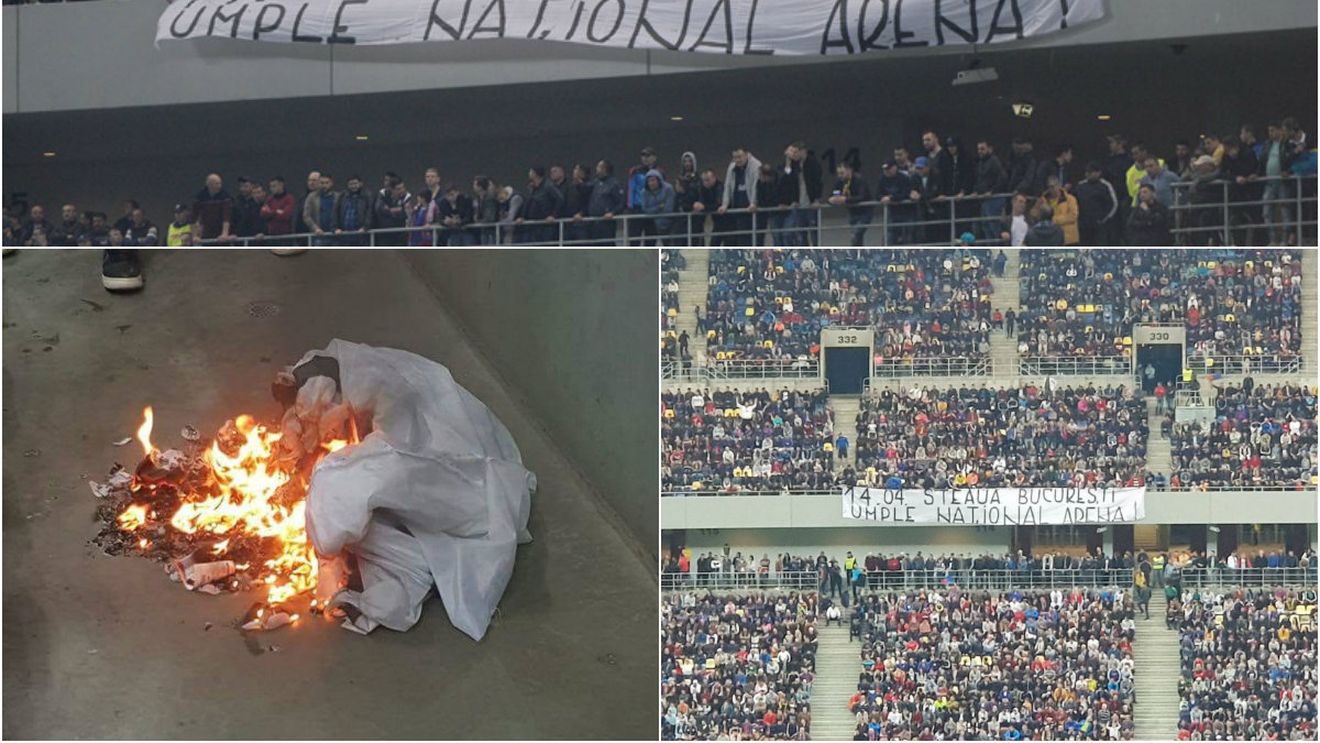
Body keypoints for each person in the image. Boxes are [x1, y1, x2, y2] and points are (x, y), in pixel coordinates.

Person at [1258, 120, 1300, 245]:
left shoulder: (1287, 144)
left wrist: (1288, 171)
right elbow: (1262, 161)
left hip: (1283, 182)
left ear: (1280, 130)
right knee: (1266, 212)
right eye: (1269, 131)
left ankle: (1284, 239)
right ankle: (1272, 239)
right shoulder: (1267, 145)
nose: (1270, 133)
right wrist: (1258, 173)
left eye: (1272, 130)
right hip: (1269, 183)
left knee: (1285, 211)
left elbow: (1292, 159)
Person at [719, 147, 760, 246]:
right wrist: (724, 204)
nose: (737, 160)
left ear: (747, 155)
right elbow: (727, 186)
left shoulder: (756, 166)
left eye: (740, 157)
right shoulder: (732, 167)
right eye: (735, 157)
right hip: (735, 210)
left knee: (749, 240)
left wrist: (753, 203)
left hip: (750, 211)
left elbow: (756, 186)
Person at [784, 141, 823, 245]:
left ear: (803, 151)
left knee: (814, 233)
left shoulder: (813, 163)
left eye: (796, 152)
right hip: (800, 204)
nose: (794, 155)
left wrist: (817, 199)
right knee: (801, 233)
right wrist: (787, 160)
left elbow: (818, 182)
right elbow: (788, 179)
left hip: (810, 203)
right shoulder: (794, 165)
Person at [1073, 161, 1118, 246]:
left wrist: (1104, 219)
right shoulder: (1080, 186)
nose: (1088, 174)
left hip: (1100, 226)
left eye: (1090, 172)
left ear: (1098, 173)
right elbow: (1074, 203)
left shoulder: (1105, 185)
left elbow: (1114, 204)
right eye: (1086, 172)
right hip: (1084, 226)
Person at [829, 161, 872, 246]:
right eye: (838, 173)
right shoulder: (840, 181)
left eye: (842, 173)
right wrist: (831, 199)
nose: (840, 176)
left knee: (857, 233)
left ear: (849, 170)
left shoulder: (860, 180)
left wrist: (845, 200)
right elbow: (832, 193)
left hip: (864, 212)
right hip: (852, 212)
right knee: (856, 238)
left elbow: (861, 196)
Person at [973, 140, 1009, 241]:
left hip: (994, 199)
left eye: (982, 149)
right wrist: (976, 191)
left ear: (990, 149)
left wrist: (992, 191)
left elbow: (1003, 178)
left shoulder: (994, 161)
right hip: (984, 200)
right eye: (978, 149)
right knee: (986, 226)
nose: (980, 151)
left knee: (994, 226)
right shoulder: (980, 163)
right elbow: (980, 179)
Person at [518, 166, 563, 244]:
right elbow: (528, 203)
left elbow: (559, 199)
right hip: (533, 225)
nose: (529, 174)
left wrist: (553, 215)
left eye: (531, 172)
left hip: (545, 225)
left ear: (535, 174)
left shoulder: (548, 186)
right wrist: (523, 216)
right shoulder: (533, 188)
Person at [626, 147, 661, 244]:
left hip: (653, 208)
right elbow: (630, 189)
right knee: (634, 239)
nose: (645, 158)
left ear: (654, 158)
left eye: (648, 156)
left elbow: (663, 190)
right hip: (638, 208)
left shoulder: (660, 171)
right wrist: (630, 207)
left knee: (651, 239)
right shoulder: (635, 171)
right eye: (643, 156)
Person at [586, 160, 624, 245]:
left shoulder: (614, 184)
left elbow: (621, 203)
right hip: (593, 222)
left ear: (604, 169)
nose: (596, 169)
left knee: (606, 245)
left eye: (598, 167)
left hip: (606, 223)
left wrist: (613, 212)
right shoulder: (595, 182)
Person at [875, 160, 912, 245]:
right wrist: (882, 198)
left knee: (906, 234)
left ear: (895, 168)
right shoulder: (882, 178)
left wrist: (891, 198)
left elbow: (906, 193)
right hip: (891, 211)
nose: (886, 171)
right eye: (885, 169)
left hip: (905, 211)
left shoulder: (903, 178)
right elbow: (877, 194)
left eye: (888, 169)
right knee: (890, 233)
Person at [636, 169, 676, 246]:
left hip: (667, 224)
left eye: (653, 180)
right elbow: (645, 209)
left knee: (670, 247)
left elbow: (668, 209)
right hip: (650, 224)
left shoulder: (668, 189)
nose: (651, 183)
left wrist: (653, 210)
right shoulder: (644, 192)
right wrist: (659, 207)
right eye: (649, 181)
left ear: (659, 180)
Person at [192, 173, 233, 243]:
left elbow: (226, 216)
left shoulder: (225, 196)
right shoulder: (200, 196)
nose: (219, 186)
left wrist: (224, 234)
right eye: (217, 184)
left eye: (220, 183)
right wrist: (194, 236)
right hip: (206, 231)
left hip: (220, 230)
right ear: (209, 184)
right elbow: (193, 217)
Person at [1037, 176, 1079, 245]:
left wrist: (1054, 220)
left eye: (1053, 186)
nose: (1051, 189)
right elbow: (1034, 214)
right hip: (1050, 238)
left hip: (1069, 240)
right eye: (1049, 187)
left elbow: (1073, 216)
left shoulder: (1070, 199)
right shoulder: (1043, 200)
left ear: (1058, 186)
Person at [334, 175, 373, 245]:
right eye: (351, 184)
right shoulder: (342, 196)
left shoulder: (367, 196)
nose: (353, 186)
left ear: (361, 184)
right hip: (344, 235)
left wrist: (365, 227)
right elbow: (335, 212)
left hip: (361, 235)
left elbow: (370, 213)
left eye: (355, 183)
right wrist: (335, 228)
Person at [302, 172, 339, 246]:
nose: (324, 185)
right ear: (319, 183)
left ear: (331, 183)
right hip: (319, 236)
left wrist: (338, 228)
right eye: (322, 183)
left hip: (335, 235)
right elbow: (306, 216)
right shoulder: (311, 197)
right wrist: (315, 228)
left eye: (327, 183)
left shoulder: (338, 197)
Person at [692, 169, 727, 246]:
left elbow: (719, 204)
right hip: (716, 220)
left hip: (727, 220)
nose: (705, 183)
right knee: (714, 244)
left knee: (727, 244)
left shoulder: (720, 187)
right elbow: (702, 200)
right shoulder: (703, 188)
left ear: (714, 178)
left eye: (707, 180)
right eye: (703, 180)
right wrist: (698, 205)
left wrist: (704, 207)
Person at [373, 176, 412, 245]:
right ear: (391, 189)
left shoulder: (407, 196)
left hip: (400, 236)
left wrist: (389, 210)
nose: (402, 191)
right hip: (384, 235)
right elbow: (380, 210)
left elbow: (405, 214)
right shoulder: (383, 194)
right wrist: (395, 210)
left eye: (403, 187)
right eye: (398, 189)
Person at [261, 176, 298, 245]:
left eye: (274, 186)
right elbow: (263, 214)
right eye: (270, 187)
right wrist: (277, 211)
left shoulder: (289, 198)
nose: (271, 189)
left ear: (281, 185)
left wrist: (270, 212)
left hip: (286, 236)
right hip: (271, 235)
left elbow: (286, 215)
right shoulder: (269, 199)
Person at [231, 177, 264, 241]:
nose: (243, 189)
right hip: (239, 239)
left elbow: (263, 220)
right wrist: (233, 233)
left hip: (256, 239)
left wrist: (262, 232)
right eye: (241, 186)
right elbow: (233, 220)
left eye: (246, 186)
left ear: (252, 186)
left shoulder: (258, 203)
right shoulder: (236, 203)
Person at [470, 176, 501, 245]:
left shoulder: (490, 199)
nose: (473, 186)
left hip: (491, 230)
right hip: (484, 230)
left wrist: (477, 221)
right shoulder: (479, 198)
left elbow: (490, 217)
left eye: (475, 184)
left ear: (480, 187)